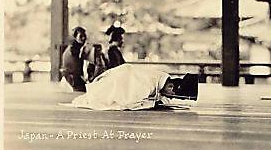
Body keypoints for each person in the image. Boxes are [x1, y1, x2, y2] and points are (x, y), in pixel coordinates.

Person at [70, 63, 198, 111]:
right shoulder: (149, 85)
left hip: (124, 74)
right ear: (170, 86)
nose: (171, 97)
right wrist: (153, 104)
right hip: (118, 81)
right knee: (103, 98)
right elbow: (129, 102)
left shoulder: (163, 78)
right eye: (173, 94)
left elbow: (161, 95)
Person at [61, 26, 88, 92]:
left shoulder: (75, 47)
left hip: (72, 76)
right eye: (81, 36)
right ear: (75, 37)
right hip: (72, 77)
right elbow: (75, 65)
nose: (83, 38)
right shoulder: (74, 49)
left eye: (84, 36)